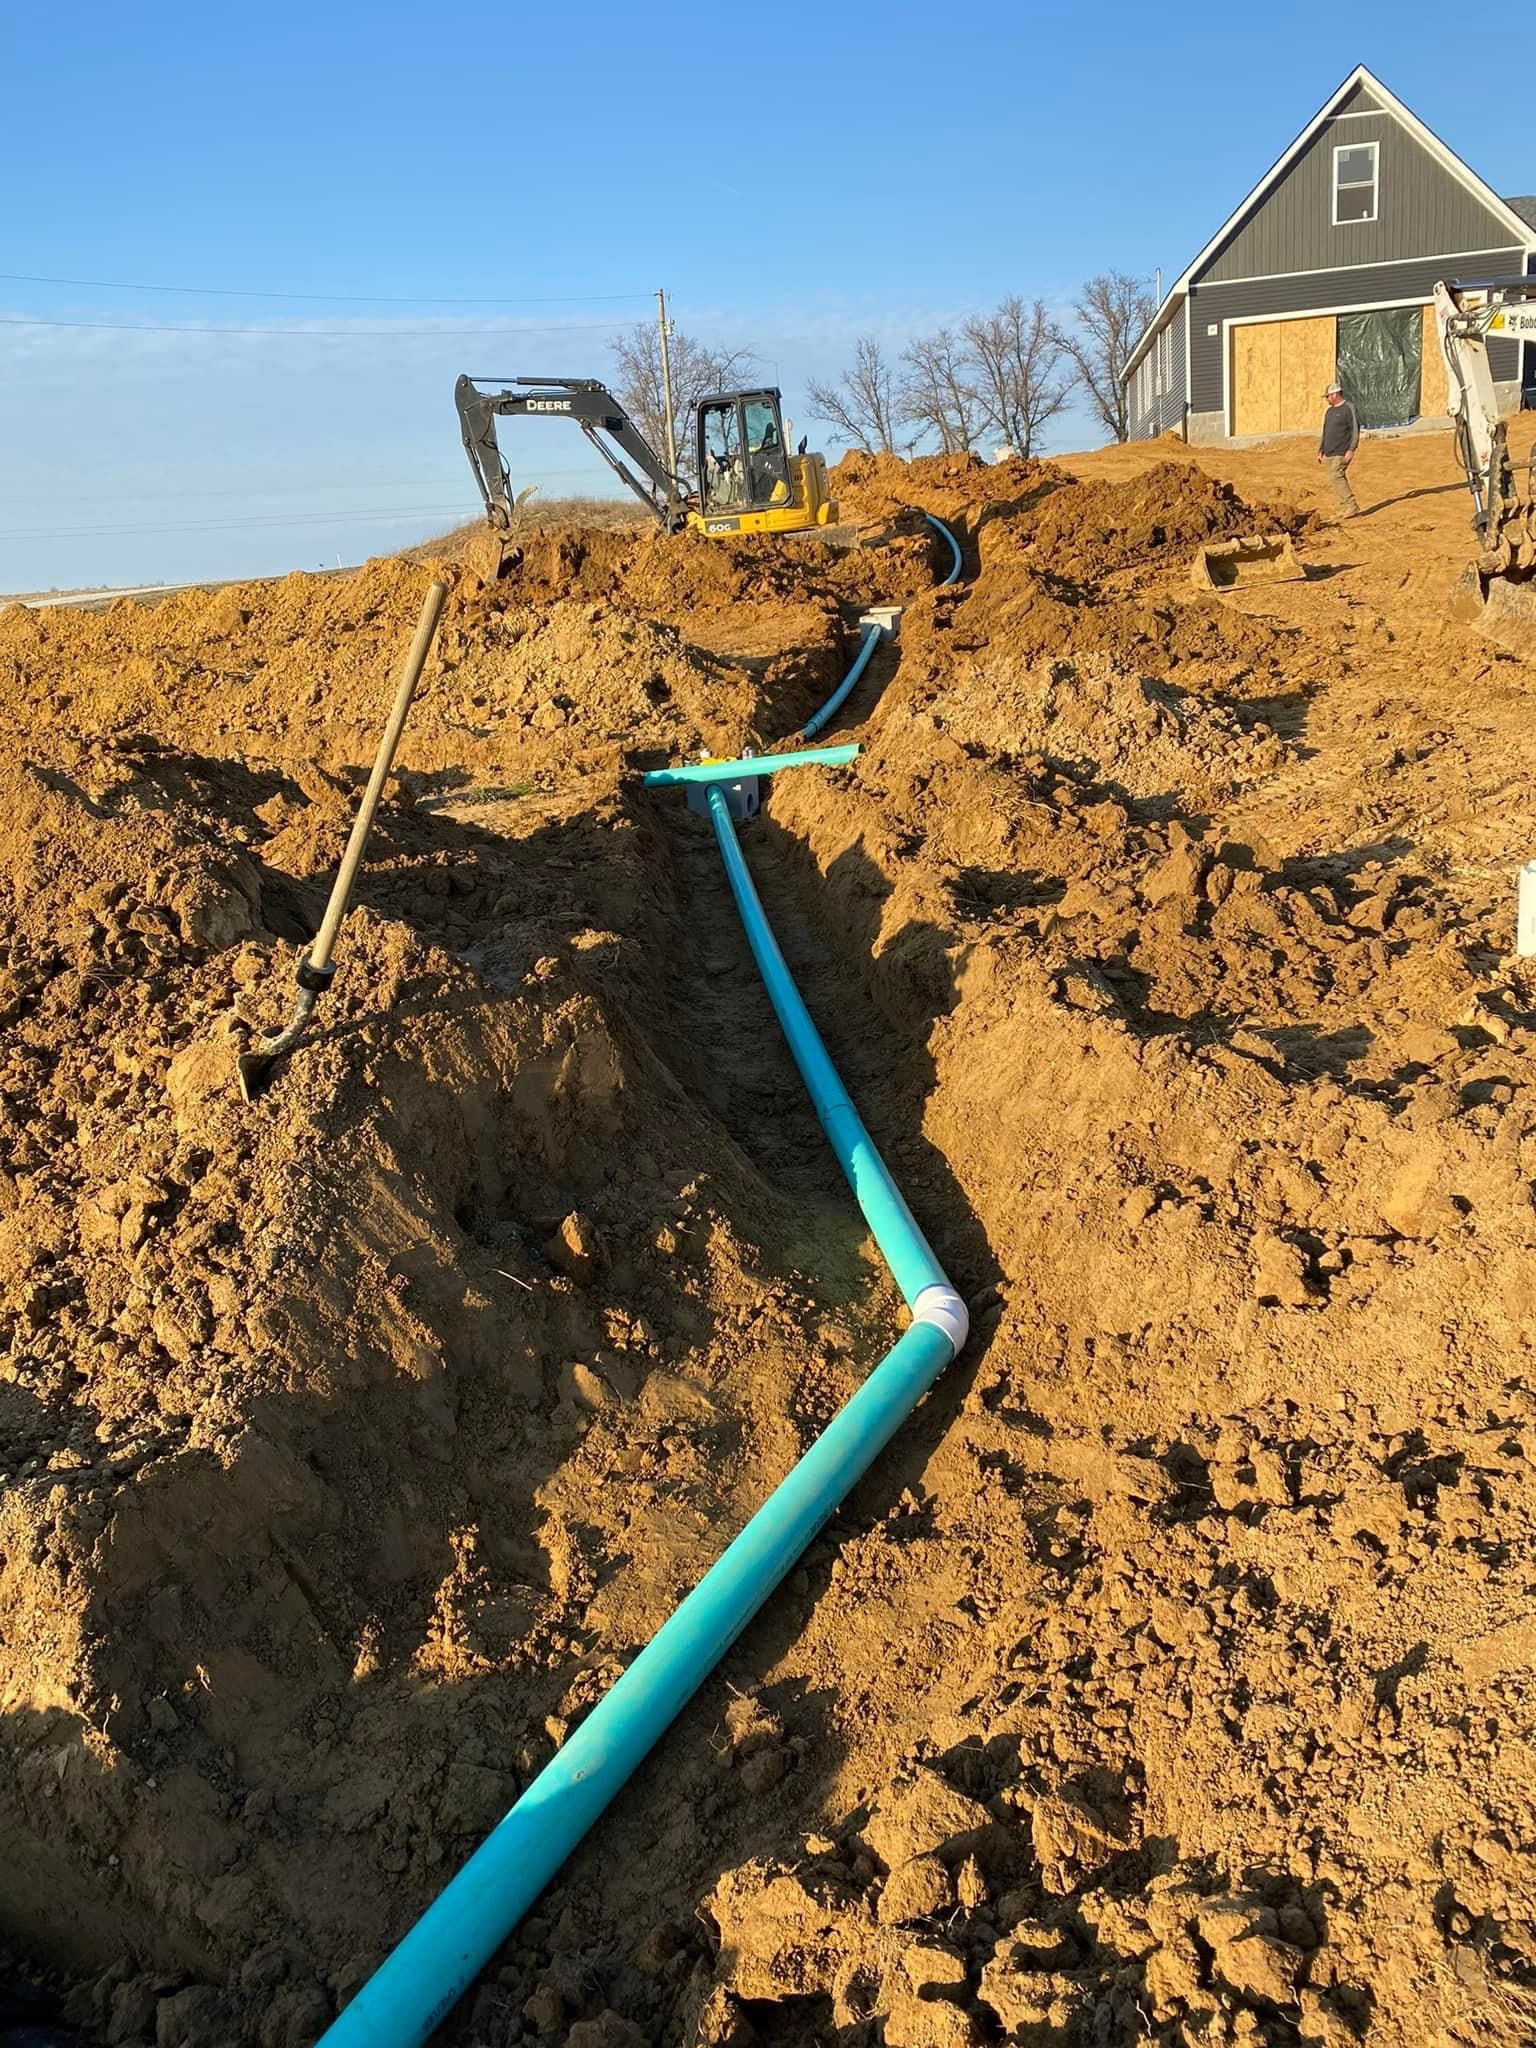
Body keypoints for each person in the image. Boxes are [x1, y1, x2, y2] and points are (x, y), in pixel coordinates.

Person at [1317, 381, 1360, 518]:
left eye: (1328, 396)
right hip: (1329, 452)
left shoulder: (1348, 408)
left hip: (1341, 451)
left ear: (1335, 395)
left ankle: (1351, 505)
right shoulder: (1329, 412)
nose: (1327, 399)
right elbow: (1326, 431)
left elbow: (1355, 430)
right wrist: (1321, 449)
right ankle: (1344, 507)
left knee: (1336, 475)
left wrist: (1351, 449)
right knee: (1334, 478)